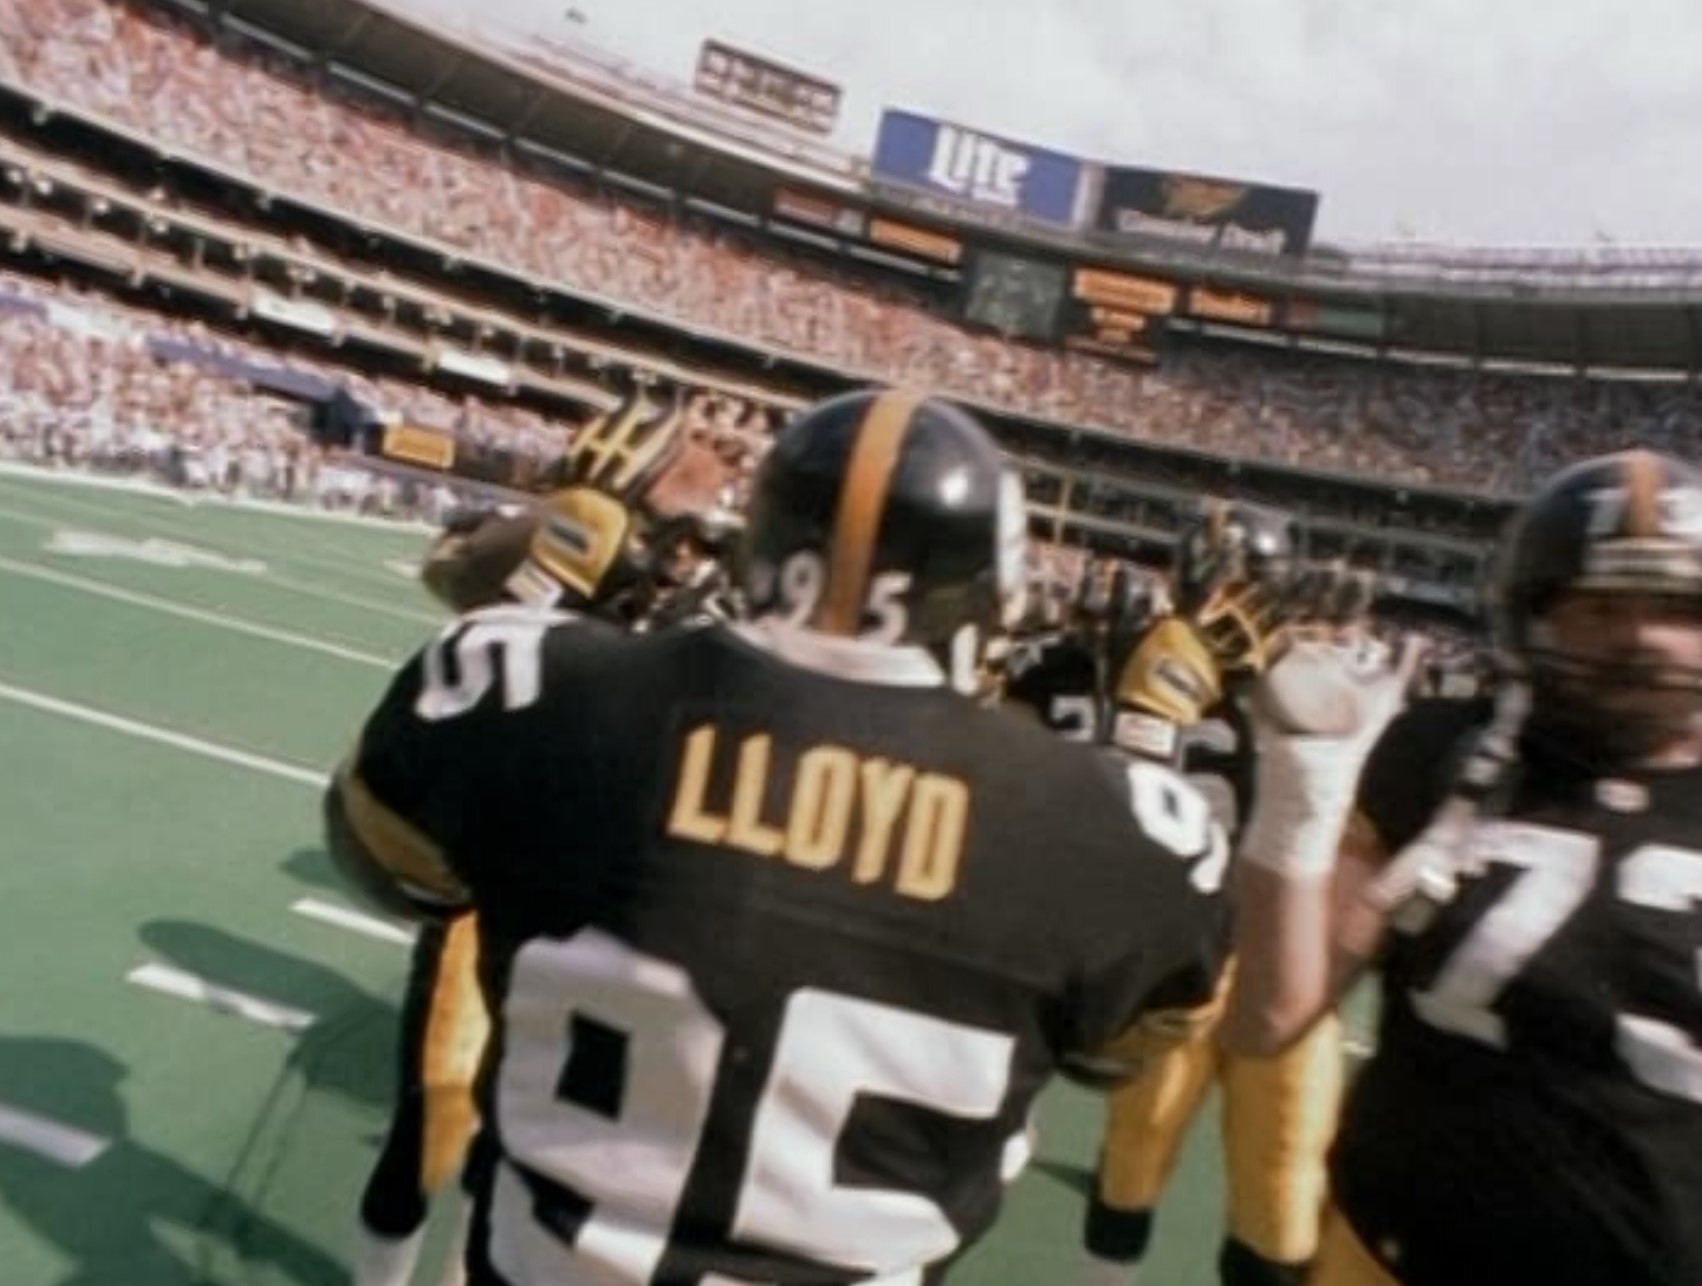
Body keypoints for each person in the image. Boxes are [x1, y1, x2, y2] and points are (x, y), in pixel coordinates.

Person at [324, 387, 1232, 1286]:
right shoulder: (1122, 837)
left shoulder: (543, 688)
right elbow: (1120, 1054)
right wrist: (1149, 727)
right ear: (991, 594)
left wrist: (553, 575)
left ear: (758, 540)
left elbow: (388, 861)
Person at [1226, 448, 1702, 1286]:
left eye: (1674, 605)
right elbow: (1272, 1017)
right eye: (1597, 605)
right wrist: (1298, 802)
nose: (1639, 638)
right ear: (1533, 616)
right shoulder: (1447, 753)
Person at [353, 398, 692, 1286]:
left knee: (512, 1117)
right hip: (539, 862)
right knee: (454, 1102)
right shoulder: (575, 537)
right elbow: (455, 573)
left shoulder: (681, 563)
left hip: (580, 871)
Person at [1081, 501, 1347, 1286]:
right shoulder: (1142, 648)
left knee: (1284, 1179)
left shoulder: (1313, 671)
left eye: (1250, 583)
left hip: (1283, 953)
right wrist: (1167, 671)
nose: (1236, 597)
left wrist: (1266, 669)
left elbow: (1336, 719)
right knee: (1137, 1146)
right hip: (1180, 940)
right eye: (1227, 579)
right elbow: (1125, 777)